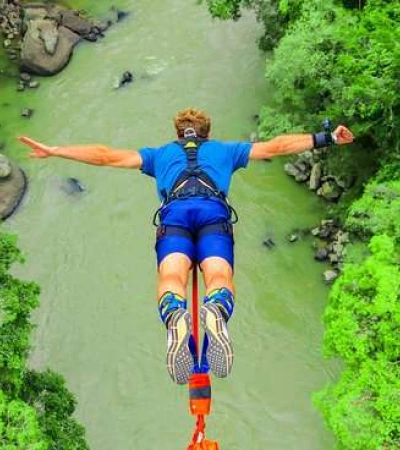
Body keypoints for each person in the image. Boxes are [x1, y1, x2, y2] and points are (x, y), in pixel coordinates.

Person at [19, 108, 354, 385]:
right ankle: (217, 311)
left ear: (178, 134)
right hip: (213, 215)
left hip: (175, 216)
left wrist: (55, 150)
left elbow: (105, 156)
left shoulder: (158, 155)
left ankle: (175, 315)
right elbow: (276, 147)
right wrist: (325, 138)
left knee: (171, 278)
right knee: (219, 275)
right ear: (207, 132)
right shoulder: (226, 151)